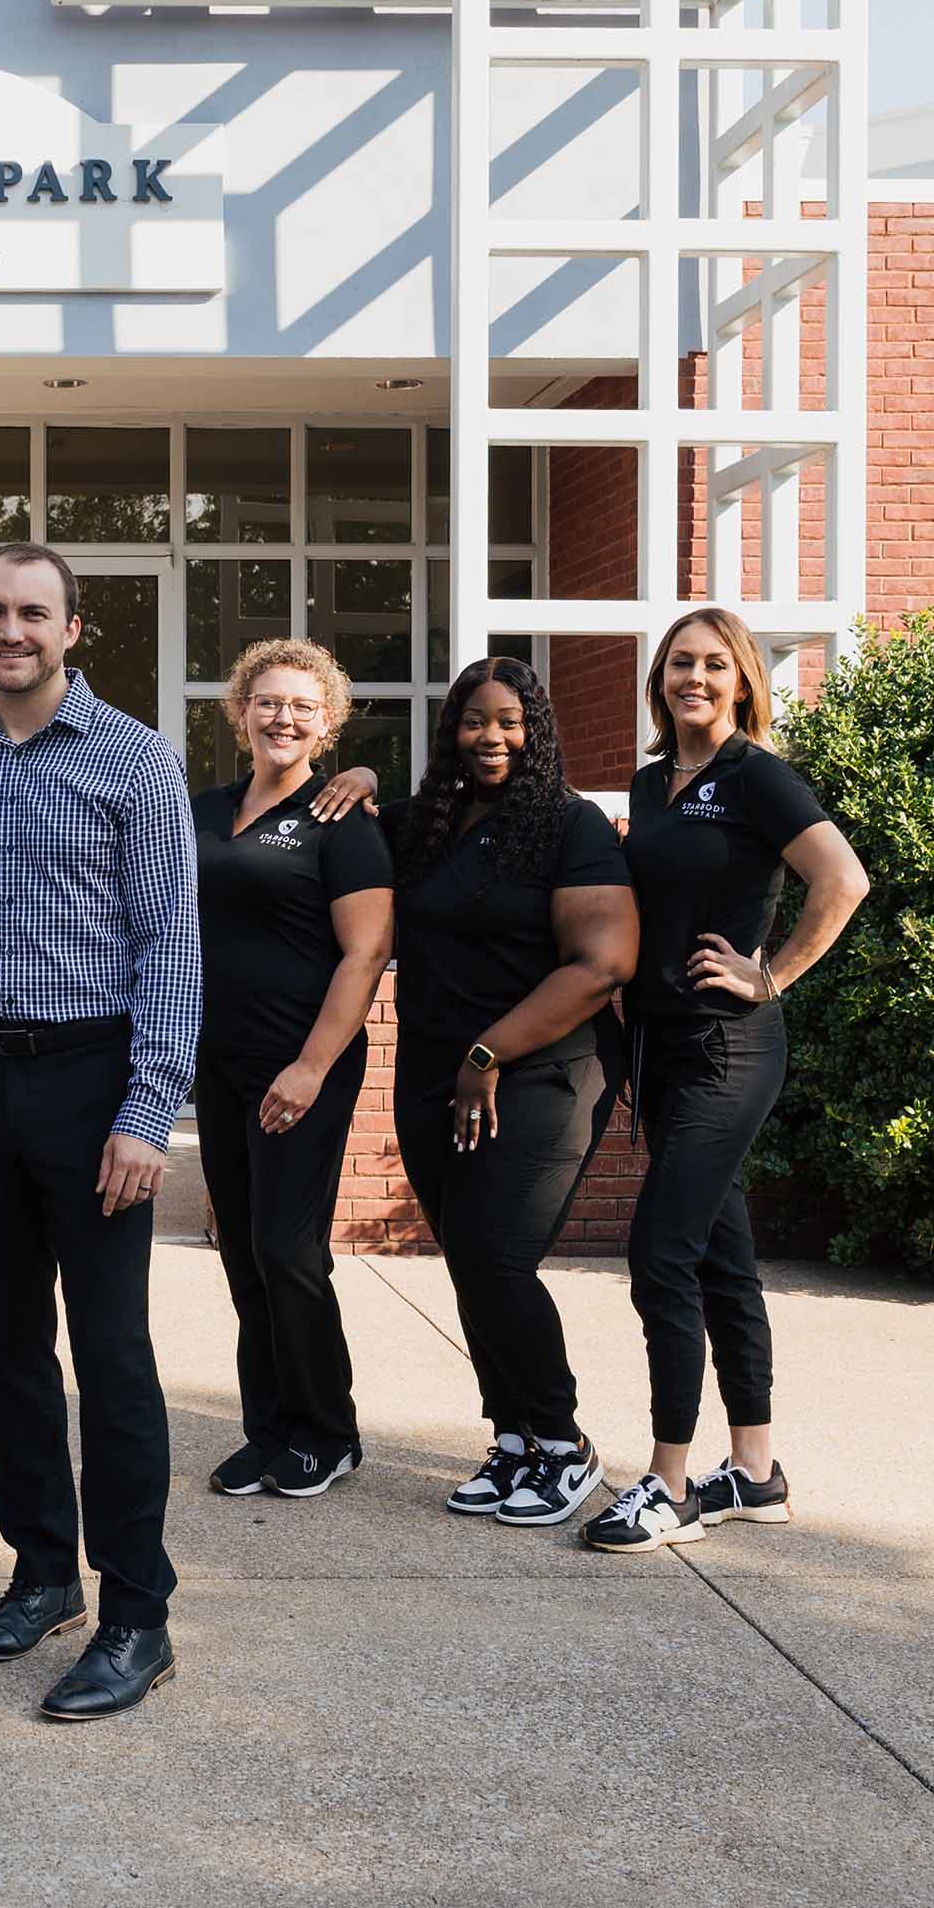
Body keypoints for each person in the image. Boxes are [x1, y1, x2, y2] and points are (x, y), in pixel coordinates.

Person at [0, 543, 199, 1723]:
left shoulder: (136, 760)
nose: (11, 629)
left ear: (73, 628)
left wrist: (147, 1109)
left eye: (34, 611)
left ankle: (137, 1610)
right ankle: (43, 1573)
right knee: (7, 1347)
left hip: (94, 1088)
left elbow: (169, 943)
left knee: (112, 1354)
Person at [584, 608, 868, 1553]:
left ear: (743, 679)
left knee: (659, 1251)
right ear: (660, 678)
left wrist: (770, 973)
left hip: (729, 1046)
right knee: (718, 1255)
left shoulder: (758, 775)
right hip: (662, 1049)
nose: (692, 677)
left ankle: (668, 1483)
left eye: (713, 664)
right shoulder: (654, 780)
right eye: (678, 663)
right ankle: (754, 1471)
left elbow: (844, 879)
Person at [381, 657, 639, 1526]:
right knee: (467, 1257)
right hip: (432, 1074)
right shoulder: (427, 825)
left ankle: (563, 1443)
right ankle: (515, 1438)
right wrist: (353, 775)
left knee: (496, 1253)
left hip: (540, 1071)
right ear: (451, 730)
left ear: (537, 730)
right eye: (472, 721)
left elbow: (604, 964)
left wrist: (488, 1054)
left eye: (508, 721)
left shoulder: (574, 829)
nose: (489, 738)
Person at [193, 639, 394, 1502]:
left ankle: (328, 1430)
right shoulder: (202, 809)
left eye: (302, 707)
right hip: (222, 1064)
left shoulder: (340, 820)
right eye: (267, 702)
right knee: (241, 1250)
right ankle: (268, 1429)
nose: (283, 718)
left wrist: (313, 1066)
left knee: (289, 1249)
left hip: (303, 1066)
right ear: (241, 713)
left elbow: (367, 952)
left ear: (330, 721)